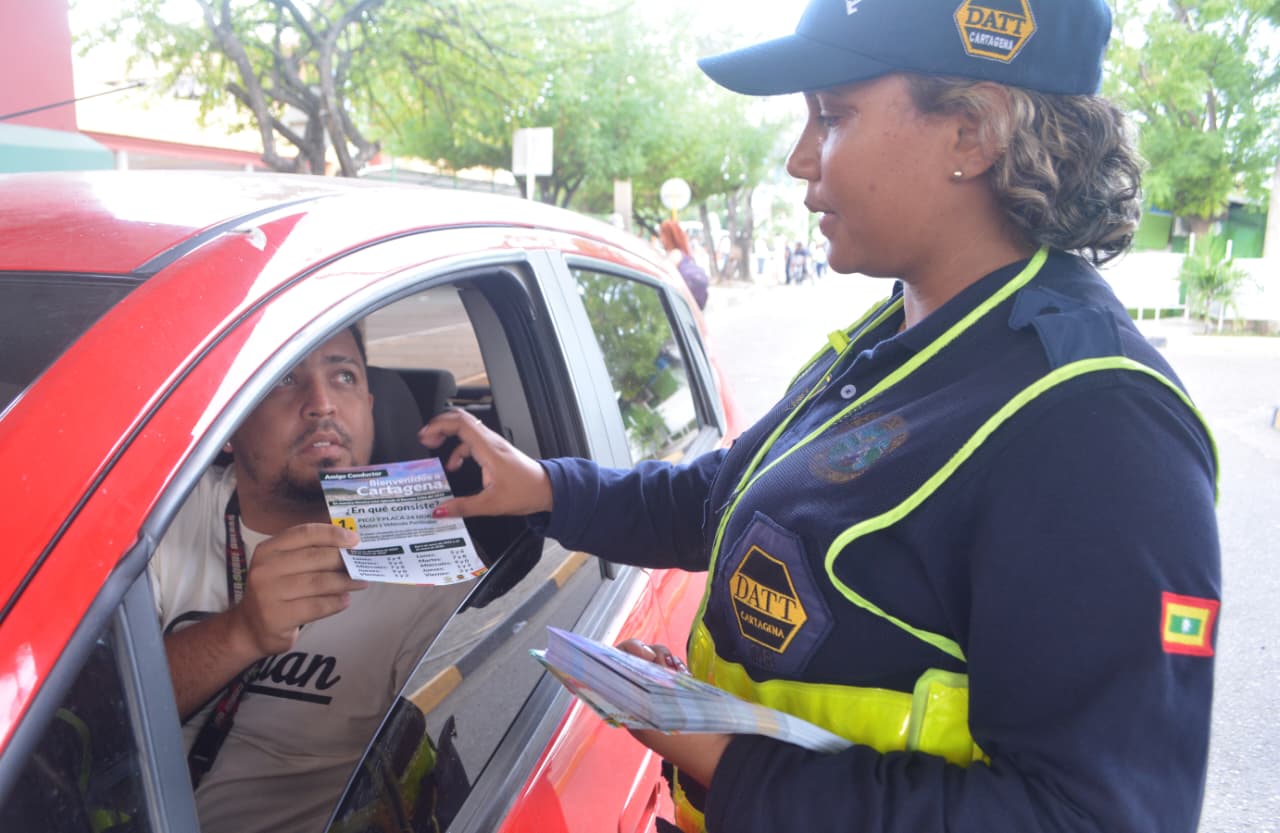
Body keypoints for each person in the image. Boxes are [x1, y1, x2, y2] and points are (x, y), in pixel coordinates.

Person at [419, 1, 1221, 831]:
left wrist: (723, 754)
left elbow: (1092, 815)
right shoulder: (909, 324)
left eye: (833, 116)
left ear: (973, 134)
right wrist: (547, 489)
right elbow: (723, 498)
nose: (802, 158)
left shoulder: (1096, 424)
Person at [150, 326, 468, 833]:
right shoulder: (160, 518)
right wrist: (241, 633)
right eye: (282, 379)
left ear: (367, 405)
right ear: (226, 425)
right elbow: (97, 718)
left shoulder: (425, 546)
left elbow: (470, 711)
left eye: (343, 376)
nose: (321, 404)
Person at [659, 218, 710, 309]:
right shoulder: (683, 253)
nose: (660, 239)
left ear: (669, 236)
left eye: (662, 234)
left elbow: (661, 276)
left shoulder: (674, 255)